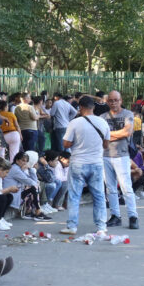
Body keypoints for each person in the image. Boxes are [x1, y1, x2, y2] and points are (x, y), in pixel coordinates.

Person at [59, 96, 110, 235]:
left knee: (74, 196)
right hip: (96, 163)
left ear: (80, 108)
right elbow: (106, 144)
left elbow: (66, 144)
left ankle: (72, 226)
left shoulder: (74, 123)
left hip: (78, 163)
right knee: (99, 195)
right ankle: (101, 227)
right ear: (93, 107)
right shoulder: (103, 122)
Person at [101, 91, 139, 230]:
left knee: (126, 188)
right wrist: (118, 134)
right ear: (107, 102)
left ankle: (133, 216)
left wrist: (108, 135)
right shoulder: (102, 117)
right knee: (110, 188)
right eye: (111, 100)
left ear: (121, 100)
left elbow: (127, 132)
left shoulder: (127, 114)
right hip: (105, 155)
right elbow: (100, 136)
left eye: (116, 100)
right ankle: (115, 216)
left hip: (122, 155)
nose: (113, 102)